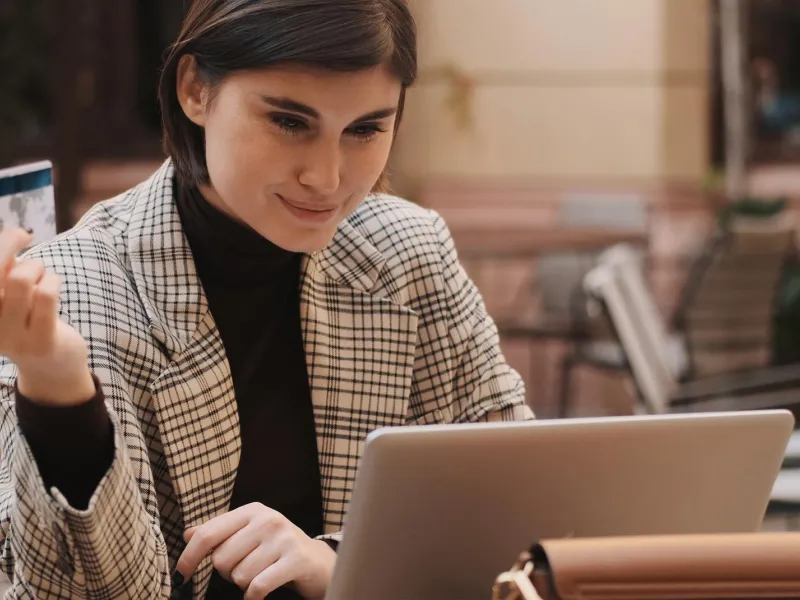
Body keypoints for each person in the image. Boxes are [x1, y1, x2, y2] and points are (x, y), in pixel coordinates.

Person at [0, 0, 533, 598]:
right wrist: (57, 383)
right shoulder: (80, 285)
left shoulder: (407, 253)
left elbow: (514, 526)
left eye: (364, 129)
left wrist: (338, 566)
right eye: (289, 122)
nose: (327, 178)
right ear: (196, 89)